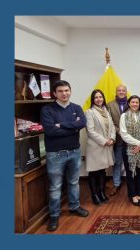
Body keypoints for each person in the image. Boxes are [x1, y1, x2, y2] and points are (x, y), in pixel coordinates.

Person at [40, 80, 89, 232]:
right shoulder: (47, 110)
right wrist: (72, 127)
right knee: (55, 186)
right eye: (60, 91)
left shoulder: (76, 108)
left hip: (74, 151)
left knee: (74, 182)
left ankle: (74, 207)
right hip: (55, 154)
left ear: (70, 91)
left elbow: (82, 123)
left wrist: (61, 125)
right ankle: (54, 215)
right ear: (54, 93)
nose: (64, 93)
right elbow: (50, 131)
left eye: (67, 90)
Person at [85, 89, 116, 205]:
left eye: (100, 97)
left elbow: (112, 126)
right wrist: (105, 141)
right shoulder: (89, 112)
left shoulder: (106, 111)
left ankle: (102, 193)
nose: (99, 99)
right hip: (96, 147)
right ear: (93, 100)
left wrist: (112, 138)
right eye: (96, 97)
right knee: (93, 172)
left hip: (106, 145)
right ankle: (94, 195)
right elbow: (90, 131)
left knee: (102, 171)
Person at [119, 95, 140, 206]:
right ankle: (132, 195)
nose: (135, 104)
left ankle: (139, 193)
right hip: (129, 149)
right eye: (133, 102)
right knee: (131, 172)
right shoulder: (124, 116)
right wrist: (138, 143)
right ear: (129, 103)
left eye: (137, 102)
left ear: (139, 104)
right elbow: (123, 133)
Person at [107, 85, 128, 196]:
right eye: (119, 90)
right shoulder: (110, 105)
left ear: (126, 92)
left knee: (132, 162)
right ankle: (116, 183)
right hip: (118, 139)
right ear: (116, 92)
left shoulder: (132, 103)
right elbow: (109, 122)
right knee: (117, 162)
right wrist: (119, 131)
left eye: (123, 90)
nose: (121, 92)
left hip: (131, 140)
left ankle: (132, 182)